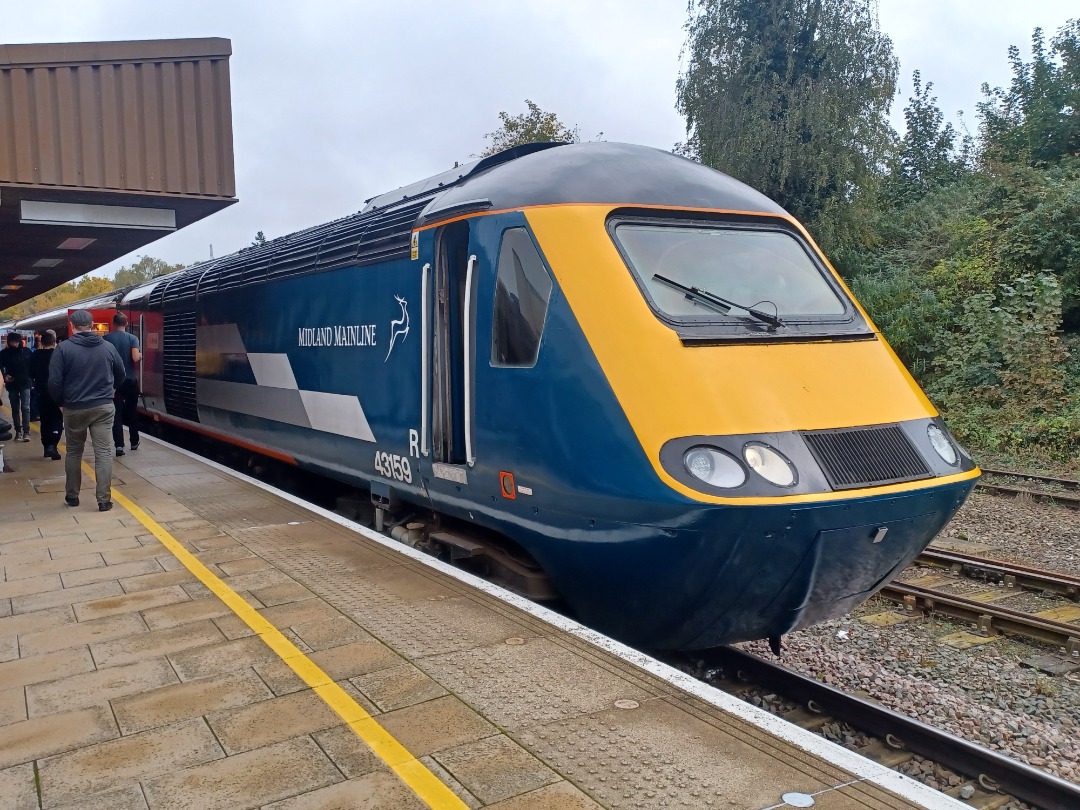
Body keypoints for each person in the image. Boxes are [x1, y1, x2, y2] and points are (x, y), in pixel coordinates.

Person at [49, 310, 125, 511]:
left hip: (74, 407)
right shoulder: (108, 347)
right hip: (103, 406)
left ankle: (72, 496)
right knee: (103, 452)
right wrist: (110, 390)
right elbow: (121, 373)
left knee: (74, 452)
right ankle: (104, 500)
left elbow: (54, 382)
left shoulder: (62, 349)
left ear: (72, 326)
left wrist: (61, 402)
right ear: (92, 325)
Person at [103, 312, 142, 456]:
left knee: (116, 414)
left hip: (113, 384)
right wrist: (140, 356)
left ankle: (119, 446)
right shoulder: (132, 338)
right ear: (126, 323)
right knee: (132, 411)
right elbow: (135, 357)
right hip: (130, 381)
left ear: (113, 324)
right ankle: (134, 441)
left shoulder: (106, 339)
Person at [30, 330, 63, 460]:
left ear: (41, 343)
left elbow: (31, 372)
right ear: (54, 342)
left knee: (45, 419)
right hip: (56, 391)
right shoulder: (58, 355)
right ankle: (53, 445)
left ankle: (46, 446)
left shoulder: (35, 355)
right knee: (57, 418)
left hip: (41, 391)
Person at [0, 332, 33, 441]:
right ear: (9, 342)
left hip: (25, 382)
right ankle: (18, 431)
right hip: (12, 383)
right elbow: (1, 368)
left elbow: (32, 367)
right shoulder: (3, 354)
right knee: (15, 408)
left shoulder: (27, 352)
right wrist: (5, 376)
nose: (15, 344)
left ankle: (26, 432)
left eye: (16, 342)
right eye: (12, 342)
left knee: (26, 407)